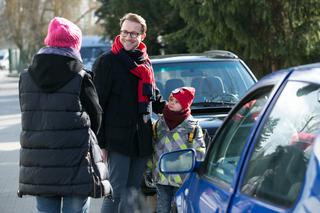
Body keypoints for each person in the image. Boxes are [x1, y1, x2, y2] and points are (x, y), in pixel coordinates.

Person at [18, 17, 111, 213]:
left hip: (40, 162)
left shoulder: (26, 77)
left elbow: (27, 112)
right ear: (74, 45)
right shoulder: (80, 76)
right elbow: (96, 116)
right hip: (75, 159)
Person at [92, 13, 165, 212]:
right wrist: (102, 143)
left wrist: (175, 110)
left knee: (132, 194)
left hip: (141, 139)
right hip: (117, 140)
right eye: (125, 32)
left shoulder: (145, 63)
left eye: (134, 33)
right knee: (115, 192)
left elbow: (153, 97)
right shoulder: (107, 62)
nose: (128, 37)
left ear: (142, 36)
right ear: (120, 32)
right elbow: (97, 106)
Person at [151, 87, 206, 213]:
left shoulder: (192, 127)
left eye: (176, 102)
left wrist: (196, 172)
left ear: (184, 105)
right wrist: (149, 169)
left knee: (180, 207)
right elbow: (153, 146)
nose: (171, 103)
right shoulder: (160, 123)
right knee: (162, 206)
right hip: (161, 175)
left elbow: (200, 150)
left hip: (182, 177)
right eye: (171, 100)